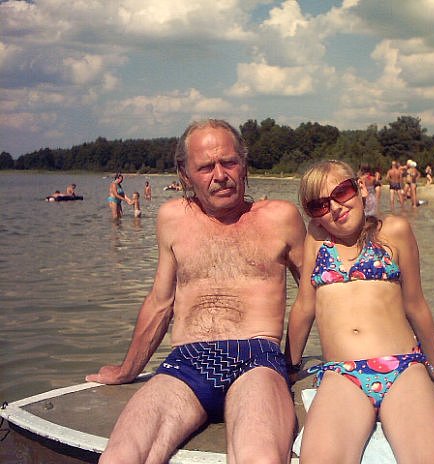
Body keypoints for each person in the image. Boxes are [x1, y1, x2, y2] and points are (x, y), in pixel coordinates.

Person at [87, 119, 306, 464]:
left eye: (229, 162)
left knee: (259, 457)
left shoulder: (281, 217)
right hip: (186, 362)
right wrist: (128, 369)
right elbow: (160, 303)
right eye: (206, 167)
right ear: (185, 174)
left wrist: (292, 363)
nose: (220, 175)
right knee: (121, 456)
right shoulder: (172, 218)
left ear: (244, 164)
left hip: (257, 360)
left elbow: (318, 292)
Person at [286, 159, 434, 463]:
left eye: (341, 192)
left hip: (403, 368)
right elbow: (304, 306)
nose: (334, 207)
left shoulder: (394, 231)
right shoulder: (317, 238)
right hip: (342, 373)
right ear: (313, 215)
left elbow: (415, 305)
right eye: (319, 205)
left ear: (361, 188)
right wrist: (289, 367)